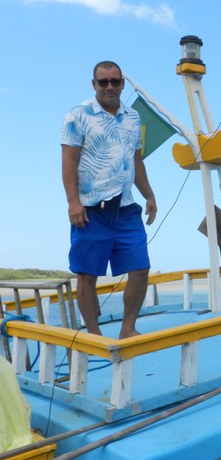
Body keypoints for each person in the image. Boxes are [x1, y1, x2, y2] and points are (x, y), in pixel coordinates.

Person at [61, 61, 157, 339]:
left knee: (140, 269)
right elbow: (69, 162)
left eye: (115, 81)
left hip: (126, 209)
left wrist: (149, 194)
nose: (110, 86)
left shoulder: (133, 117)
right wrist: (73, 203)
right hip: (91, 209)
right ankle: (94, 334)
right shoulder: (77, 115)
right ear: (94, 84)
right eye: (103, 82)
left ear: (122, 83)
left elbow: (136, 159)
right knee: (88, 274)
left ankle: (128, 329)